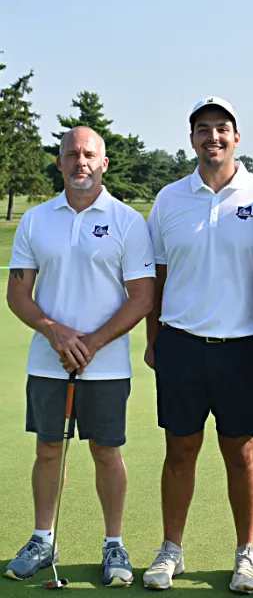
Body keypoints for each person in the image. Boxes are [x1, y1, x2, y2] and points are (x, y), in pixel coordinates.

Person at [4, 126, 155, 587]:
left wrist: (91, 343)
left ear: (103, 163)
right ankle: (42, 539)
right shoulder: (36, 220)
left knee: (106, 452)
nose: (80, 161)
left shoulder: (128, 221)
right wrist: (54, 331)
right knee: (48, 449)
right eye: (72, 154)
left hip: (105, 365)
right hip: (48, 361)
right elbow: (17, 293)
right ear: (60, 162)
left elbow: (142, 297)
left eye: (89, 154)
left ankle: (114, 543)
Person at [143, 97, 253, 592]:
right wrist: (154, 340)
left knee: (241, 451)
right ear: (192, 138)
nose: (212, 137)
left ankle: (246, 553)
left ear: (236, 137)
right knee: (179, 449)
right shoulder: (170, 199)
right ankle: (171, 550)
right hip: (181, 343)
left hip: (242, 347)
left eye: (221, 128)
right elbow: (157, 276)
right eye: (203, 128)